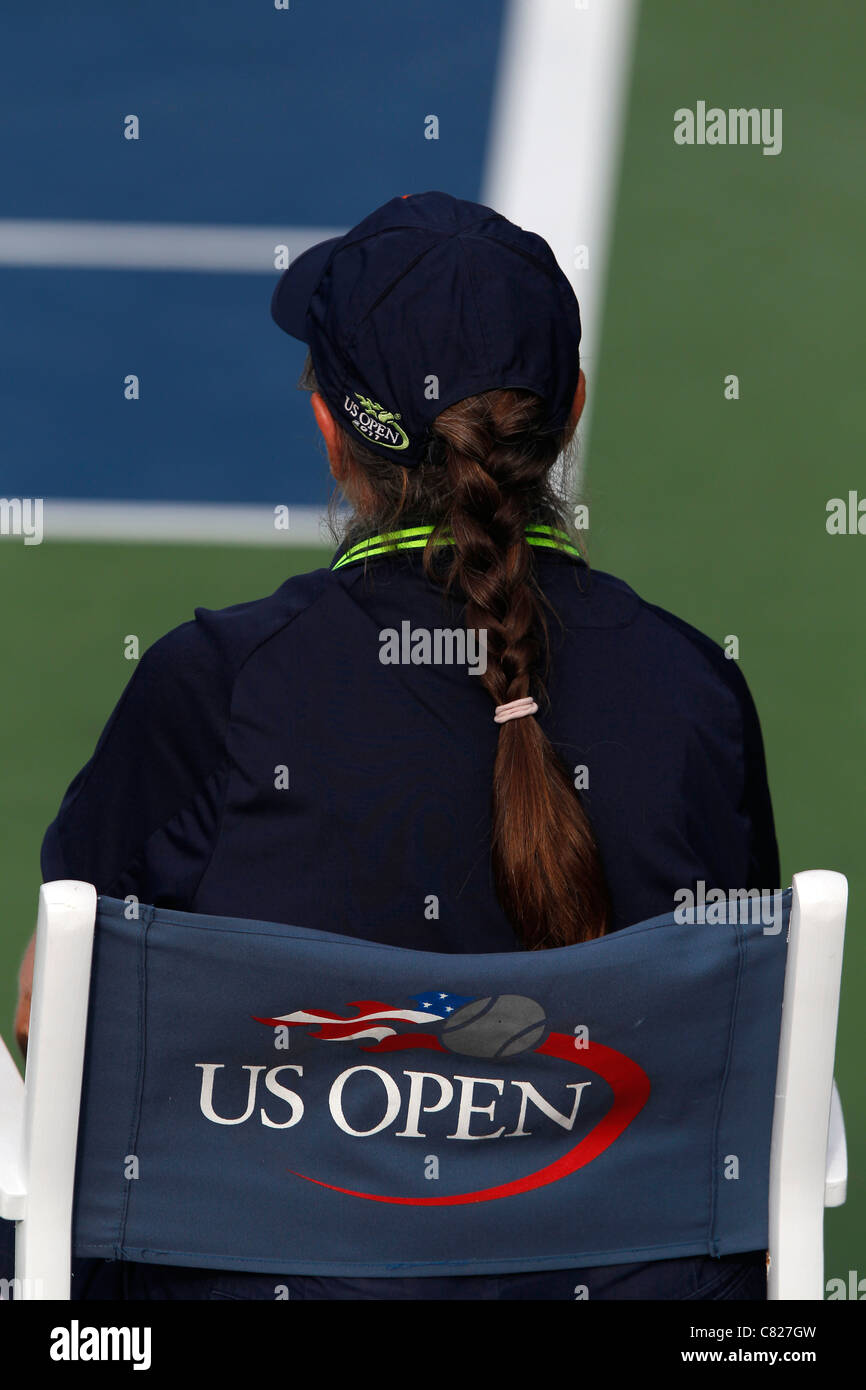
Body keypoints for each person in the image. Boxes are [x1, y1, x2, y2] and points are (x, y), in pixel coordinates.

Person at [13, 190, 777, 1300]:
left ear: (330, 431)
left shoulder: (214, 690)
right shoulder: (693, 693)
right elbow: (735, 1042)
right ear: (567, 409)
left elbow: (56, 1024)